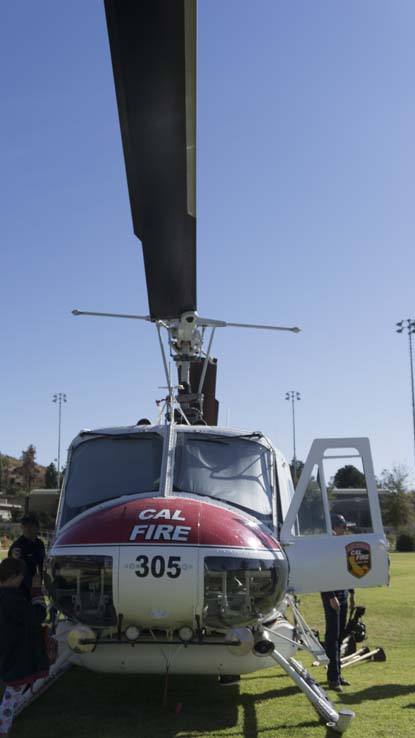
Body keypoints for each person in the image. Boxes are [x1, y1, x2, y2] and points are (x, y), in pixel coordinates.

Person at [0, 558, 49, 736]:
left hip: (8, 648)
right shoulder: (12, 599)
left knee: (17, 687)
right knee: (12, 692)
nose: (23, 579)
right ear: (13, 576)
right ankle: (2, 728)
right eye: (21, 576)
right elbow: (37, 615)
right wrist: (36, 592)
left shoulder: (6, 595)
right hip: (18, 652)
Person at [320, 513, 355, 692]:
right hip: (332, 595)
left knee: (340, 635)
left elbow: (345, 570)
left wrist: (351, 593)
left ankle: (338, 674)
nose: (345, 530)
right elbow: (322, 573)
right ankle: (333, 679)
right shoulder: (326, 545)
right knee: (333, 636)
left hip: (343, 593)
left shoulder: (341, 545)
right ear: (334, 526)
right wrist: (331, 596)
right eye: (343, 527)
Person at [8, 513, 45, 599]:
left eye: (31, 526)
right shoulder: (17, 546)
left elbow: (42, 564)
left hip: (35, 586)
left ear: (37, 527)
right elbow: (12, 569)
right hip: (20, 589)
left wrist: (42, 582)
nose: (27, 529)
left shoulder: (40, 544)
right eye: (25, 526)